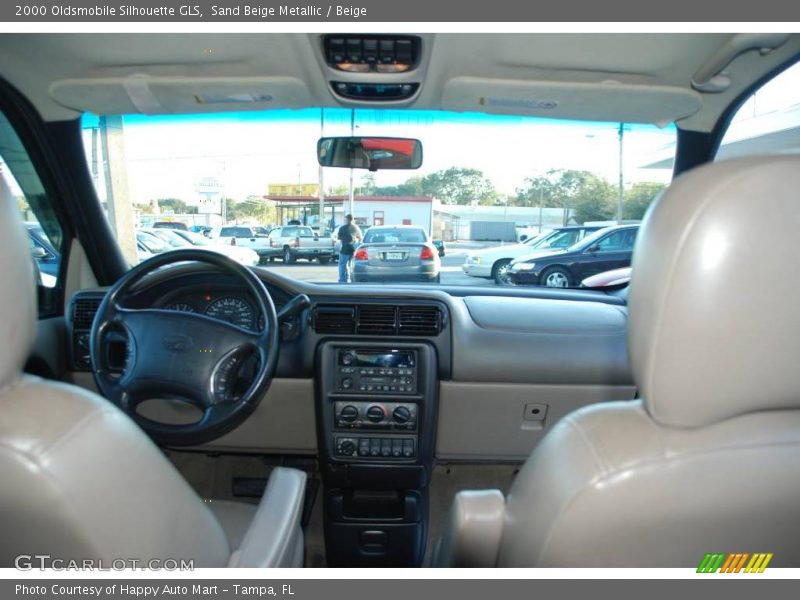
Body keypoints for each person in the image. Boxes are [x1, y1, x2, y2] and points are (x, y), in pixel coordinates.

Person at [337, 214, 362, 283]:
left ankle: (342, 280)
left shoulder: (342, 228)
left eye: (345, 219)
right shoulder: (356, 228)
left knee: (342, 264)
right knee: (351, 265)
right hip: (353, 249)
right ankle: (351, 279)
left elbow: (339, 238)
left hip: (344, 249)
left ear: (347, 219)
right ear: (352, 219)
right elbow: (360, 238)